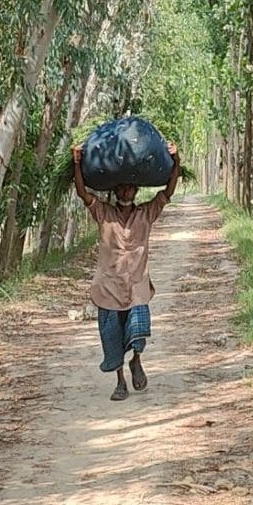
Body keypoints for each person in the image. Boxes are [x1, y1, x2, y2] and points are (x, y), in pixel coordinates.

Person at [72, 142, 180, 401]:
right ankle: (120, 381)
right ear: (115, 190)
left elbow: (168, 192)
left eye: (130, 187)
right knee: (112, 337)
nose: (126, 190)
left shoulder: (147, 213)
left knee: (139, 328)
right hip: (108, 288)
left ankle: (137, 361)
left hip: (137, 286)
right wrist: (77, 162)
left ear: (136, 190)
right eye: (121, 186)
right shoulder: (103, 212)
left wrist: (177, 161)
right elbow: (82, 193)